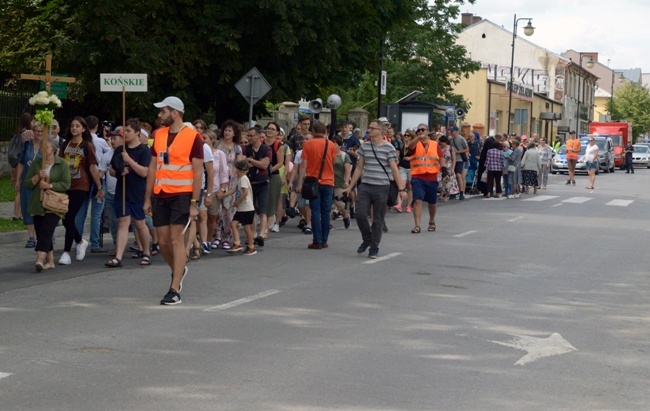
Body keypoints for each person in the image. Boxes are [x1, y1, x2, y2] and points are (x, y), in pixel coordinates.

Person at [144, 96, 203, 306]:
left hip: (182, 194)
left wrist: (195, 202)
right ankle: (179, 269)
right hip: (160, 194)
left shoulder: (194, 137)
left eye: (163, 111)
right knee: (163, 241)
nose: (159, 115)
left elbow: (198, 172)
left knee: (176, 238)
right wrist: (147, 198)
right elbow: (152, 167)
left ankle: (174, 288)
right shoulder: (158, 135)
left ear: (174, 113)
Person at [343, 120, 405, 258]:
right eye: (369, 128)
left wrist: (401, 189)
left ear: (381, 131)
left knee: (377, 219)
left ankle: (374, 247)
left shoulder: (389, 148)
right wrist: (350, 186)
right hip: (366, 185)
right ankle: (367, 238)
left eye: (372, 128)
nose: (369, 130)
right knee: (359, 214)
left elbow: (394, 168)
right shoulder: (365, 146)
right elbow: (359, 167)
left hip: (382, 187)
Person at [105, 118, 152, 268]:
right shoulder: (120, 149)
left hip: (138, 191)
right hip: (122, 190)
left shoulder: (144, 150)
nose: (125, 133)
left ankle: (146, 252)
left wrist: (129, 161)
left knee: (139, 223)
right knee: (123, 222)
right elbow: (112, 170)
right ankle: (118, 257)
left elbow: (145, 172)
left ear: (137, 132)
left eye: (128, 131)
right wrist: (120, 171)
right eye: (124, 131)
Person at [58, 117, 102, 265]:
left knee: (69, 217)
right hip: (66, 185)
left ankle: (66, 253)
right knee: (65, 218)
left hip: (80, 185)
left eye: (77, 126)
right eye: (72, 126)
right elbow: (59, 164)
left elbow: (92, 168)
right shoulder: (65, 144)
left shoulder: (87, 146)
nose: (74, 128)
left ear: (83, 128)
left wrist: (99, 187)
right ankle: (80, 240)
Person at [24, 138, 71, 271]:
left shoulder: (61, 164)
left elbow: (66, 184)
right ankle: (50, 262)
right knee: (42, 232)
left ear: (54, 150)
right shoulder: (36, 164)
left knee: (47, 229)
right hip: (38, 204)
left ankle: (40, 258)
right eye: (41, 148)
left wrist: (49, 185)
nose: (43, 150)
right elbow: (27, 184)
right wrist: (37, 177)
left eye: (46, 148)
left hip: (55, 204)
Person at [296, 121, 337, 249]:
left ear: (313, 131)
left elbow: (304, 164)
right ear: (325, 132)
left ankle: (317, 240)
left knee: (315, 211)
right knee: (326, 212)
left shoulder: (308, 144)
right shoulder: (330, 144)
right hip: (328, 181)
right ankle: (324, 240)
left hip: (313, 181)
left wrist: (299, 182)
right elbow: (334, 161)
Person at [75, 115, 111, 253]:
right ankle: (94, 243)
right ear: (96, 126)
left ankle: (78, 241)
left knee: (80, 213)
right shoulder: (100, 141)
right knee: (96, 214)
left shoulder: (78, 141)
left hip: (81, 180)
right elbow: (110, 154)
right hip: (97, 179)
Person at [212, 120, 244, 250]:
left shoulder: (237, 147)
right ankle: (217, 236)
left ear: (234, 133)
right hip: (217, 178)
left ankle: (227, 237)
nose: (227, 132)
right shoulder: (217, 144)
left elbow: (239, 165)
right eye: (225, 130)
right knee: (217, 210)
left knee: (228, 210)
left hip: (231, 180)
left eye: (230, 130)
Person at [408, 123, 443, 234]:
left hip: (431, 177)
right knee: (417, 200)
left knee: (432, 202)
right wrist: (417, 138)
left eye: (423, 130)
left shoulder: (434, 144)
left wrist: (444, 169)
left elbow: (440, 158)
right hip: (418, 176)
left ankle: (431, 221)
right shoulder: (415, 143)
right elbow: (410, 147)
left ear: (428, 132)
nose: (421, 132)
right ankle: (417, 225)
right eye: (418, 130)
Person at [15, 121, 43, 248]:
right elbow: (21, 163)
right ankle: (31, 237)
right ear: (33, 132)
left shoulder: (46, 146)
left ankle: (43, 235)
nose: (39, 133)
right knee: (27, 207)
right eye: (37, 131)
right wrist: (17, 179)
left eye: (42, 131)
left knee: (41, 207)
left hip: (41, 182)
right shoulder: (27, 145)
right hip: (28, 181)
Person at [225, 160, 257, 255]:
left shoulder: (243, 179)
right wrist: (224, 194)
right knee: (234, 224)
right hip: (242, 208)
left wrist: (237, 202)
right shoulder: (241, 179)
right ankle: (237, 243)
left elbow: (245, 192)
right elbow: (235, 189)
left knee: (247, 228)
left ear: (237, 170)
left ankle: (251, 246)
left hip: (246, 207)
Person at [205, 129, 229, 251]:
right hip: (201, 189)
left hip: (215, 189)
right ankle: (201, 241)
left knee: (211, 217)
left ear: (213, 140)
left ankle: (208, 240)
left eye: (205, 139)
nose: (203, 141)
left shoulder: (219, 154)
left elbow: (224, 173)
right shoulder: (199, 153)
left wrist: (223, 189)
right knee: (200, 217)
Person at [264, 122, 285, 233]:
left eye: (272, 129)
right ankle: (265, 223)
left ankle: (267, 226)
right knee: (261, 201)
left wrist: (268, 170)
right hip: (261, 176)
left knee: (273, 200)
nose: (270, 130)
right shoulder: (262, 143)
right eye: (268, 128)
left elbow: (280, 163)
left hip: (273, 175)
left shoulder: (278, 144)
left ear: (277, 132)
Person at [331, 135, 352, 228]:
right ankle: (327, 223)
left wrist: (346, 181)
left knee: (339, 204)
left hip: (339, 182)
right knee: (327, 204)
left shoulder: (344, 156)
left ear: (339, 145)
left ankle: (345, 215)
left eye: (335, 144)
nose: (333, 146)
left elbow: (347, 171)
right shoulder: (328, 154)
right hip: (328, 181)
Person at [449, 126, 468, 199]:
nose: (451, 132)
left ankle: (461, 192)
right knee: (453, 175)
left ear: (456, 131)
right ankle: (453, 191)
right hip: (453, 159)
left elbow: (466, 149)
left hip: (460, 158)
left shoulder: (461, 139)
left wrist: (457, 152)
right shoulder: (451, 140)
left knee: (458, 174)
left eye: (452, 131)